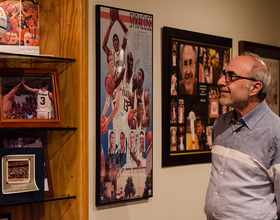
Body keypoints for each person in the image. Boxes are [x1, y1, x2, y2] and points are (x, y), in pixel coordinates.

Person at [204, 52, 280, 220]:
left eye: (231, 76)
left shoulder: (276, 132)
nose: (220, 81)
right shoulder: (220, 124)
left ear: (255, 88)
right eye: (224, 74)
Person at [102, 9, 128, 74]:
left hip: (122, 82)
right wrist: (110, 25)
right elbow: (104, 45)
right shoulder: (111, 53)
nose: (115, 42)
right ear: (113, 43)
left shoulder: (122, 51)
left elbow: (126, 33)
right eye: (114, 40)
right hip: (114, 82)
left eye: (116, 40)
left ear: (119, 43)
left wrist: (119, 20)